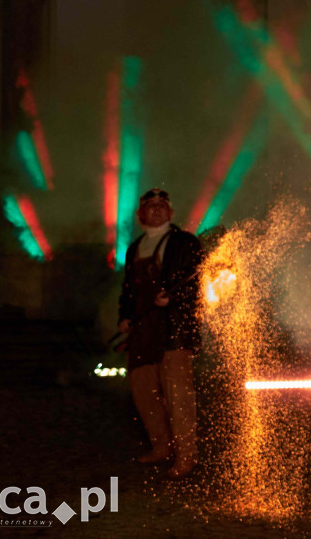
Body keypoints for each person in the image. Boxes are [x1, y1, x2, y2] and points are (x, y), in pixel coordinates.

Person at [117, 188, 203, 478]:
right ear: (140, 215)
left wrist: (173, 299)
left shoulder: (185, 242)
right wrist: (125, 317)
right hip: (142, 331)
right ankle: (161, 447)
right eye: (150, 206)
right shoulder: (134, 248)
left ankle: (187, 457)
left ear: (171, 213)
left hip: (174, 329)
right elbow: (128, 291)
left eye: (162, 205)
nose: (156, 209)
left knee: (178, 397)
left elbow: (198, 282)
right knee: (144, 394)